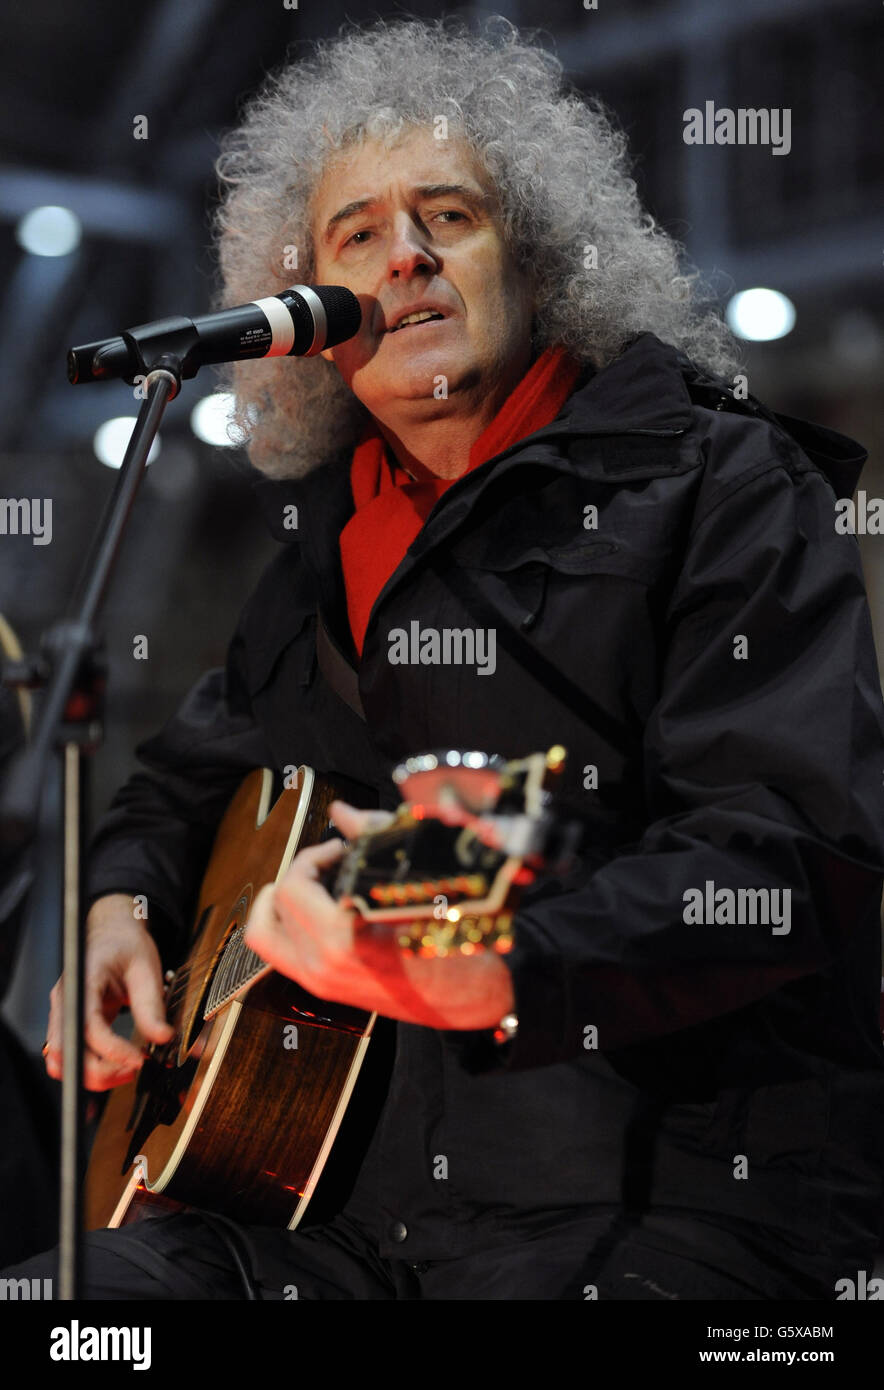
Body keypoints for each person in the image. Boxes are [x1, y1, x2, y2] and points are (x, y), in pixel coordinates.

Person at [9, 14, 884, 1299]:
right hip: (318, 1213)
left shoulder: (715, 483)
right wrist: (120, 906)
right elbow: (178, 784)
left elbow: (793, 846)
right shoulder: (320, 548)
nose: (401, 256)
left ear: (532, 255)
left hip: (655, 1209)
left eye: (447, 218)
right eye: (354, 236)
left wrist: (511, 962)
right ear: (308, 311)